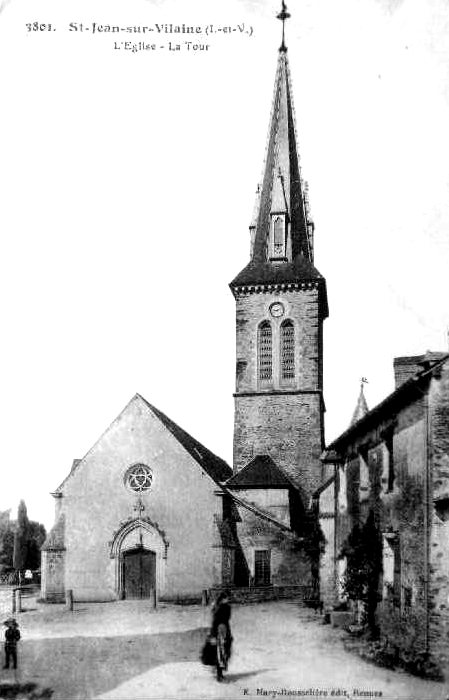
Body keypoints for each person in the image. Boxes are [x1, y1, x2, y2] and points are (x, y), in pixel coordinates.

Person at [210, 591, 232, 682]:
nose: (228, 600)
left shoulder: (227, 607)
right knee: (220, 653)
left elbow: (227, 621)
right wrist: (214, 635)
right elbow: (215, 622)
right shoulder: (218, 608)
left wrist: (229, 634)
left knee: (224, 653)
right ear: (223, 599)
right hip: (219, 632)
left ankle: (220, 674)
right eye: (227, 598)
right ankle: (219, 675)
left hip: (225, 631)